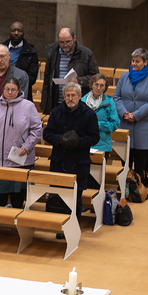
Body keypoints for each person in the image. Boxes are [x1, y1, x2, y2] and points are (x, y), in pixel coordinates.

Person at [0, 78, 44, 208]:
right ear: (3, 89)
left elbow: (37, 129)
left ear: (19, 90)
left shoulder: (28, 106)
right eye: (7, 89)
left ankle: (16, 221)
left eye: (13, 90)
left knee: (17, 200)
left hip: (18, 159)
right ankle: (0, 220)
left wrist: (27, 146)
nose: (10, 92)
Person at [43, 81, 100, 218]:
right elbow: (47, 134)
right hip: (59, 162)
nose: (70, 98)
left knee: (76, 198)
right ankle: (58, 225)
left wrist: (77, 142)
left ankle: (74, 226)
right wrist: (62, 140)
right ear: (64, 97)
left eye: (73, 95)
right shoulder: (56, 112)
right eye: (67, 95)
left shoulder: (89, 114)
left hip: (79, 163)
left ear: (79, 96)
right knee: (57, 196)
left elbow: (94, 137)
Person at [113, 48, 148, 181]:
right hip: (125, 122)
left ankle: (138, 186)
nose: (134, 63)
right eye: (133, 61)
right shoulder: (124, 77)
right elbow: (116, 97)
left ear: (145, 62)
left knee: (140, 161)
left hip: (143, 124)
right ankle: (125, 185)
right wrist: (124, 113)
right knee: (125, 159)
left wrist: (136, 115)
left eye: (137, 61)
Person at [40, 27, 99, 114]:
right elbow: (47, 80)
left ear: (74, 38)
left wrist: (79, 81)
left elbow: (95, 77)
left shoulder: (86, 54)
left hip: (78, 102)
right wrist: (44, 103)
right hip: (57, 101)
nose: (65, 45)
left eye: (68, 42)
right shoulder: (53, 53)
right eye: (61, 42)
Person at [84, 73, 120, 155]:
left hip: (102, 145)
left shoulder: (110, 102)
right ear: (92, 85)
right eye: (96, 84)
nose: (98, 88)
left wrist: (97, 125)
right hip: (85, 143)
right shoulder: (82, 101)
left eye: (102, 85)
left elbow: (115, 124)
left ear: (105, 87)